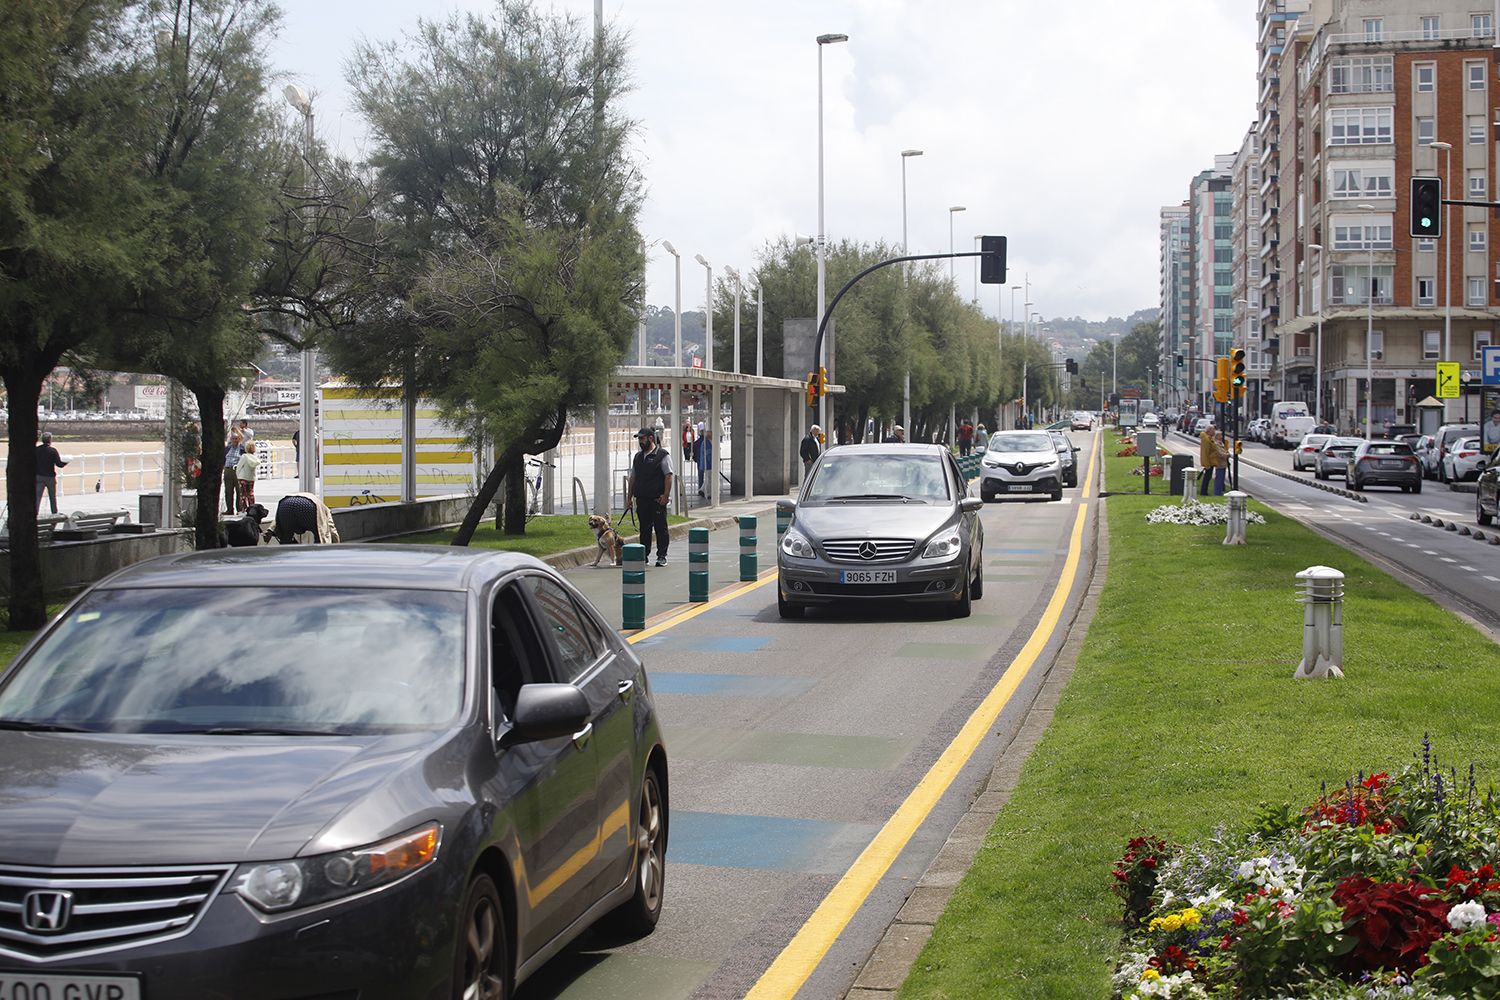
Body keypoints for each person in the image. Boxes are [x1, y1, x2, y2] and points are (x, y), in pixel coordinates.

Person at [626, 427, 673, 566]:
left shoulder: (662, 455)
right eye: (639, 439)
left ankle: (662, 556)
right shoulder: (638, 457)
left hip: (657, 499)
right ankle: (644, 555)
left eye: (642, 438)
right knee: (644, 529)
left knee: (660, 528)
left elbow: (669, 476)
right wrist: (629, 498)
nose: (640, 441)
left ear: (651, 438)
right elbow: (633, 478)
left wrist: (666, 496)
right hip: (642, 498)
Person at [35, 432, 68, 514]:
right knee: (52, 497)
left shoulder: (36, 450)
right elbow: (59, 464)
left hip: (39, 476)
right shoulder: (53, 451)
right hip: (50, 477)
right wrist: (66, 462)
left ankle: (35, 513)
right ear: (50, 440)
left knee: (37, 497)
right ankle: (54, 513)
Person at [223, 429, 244, 515]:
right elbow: (223, 458)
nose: (234, 440)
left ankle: (239, 509)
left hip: (237, 471)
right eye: (233, 438)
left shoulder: (242, 448)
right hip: (228, 470)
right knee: (228, 491)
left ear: (239, 439)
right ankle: (229, 509)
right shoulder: (227, 448)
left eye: (236, 438)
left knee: (239, 491)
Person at [235, 439, 260, 511]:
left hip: (243, 477)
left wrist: (237, 475)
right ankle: (252, 507)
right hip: (251, 477)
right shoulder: (254, 458)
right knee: (250, 493)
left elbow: (239, 467)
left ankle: (244, 509)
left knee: (243, 494)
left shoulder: (244, 457)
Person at [1198, 422, 1222, 496]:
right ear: (1209, 431)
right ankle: (1203, 492)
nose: (1214, 432)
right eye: (1213, 430)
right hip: (1209, 462)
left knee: (1208, 477)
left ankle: (1204, 491)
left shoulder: (1209, 438)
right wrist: (1206, 464)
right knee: (1207, 478)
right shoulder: (1206, 439)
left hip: (1211, 461)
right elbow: (1205, 452)